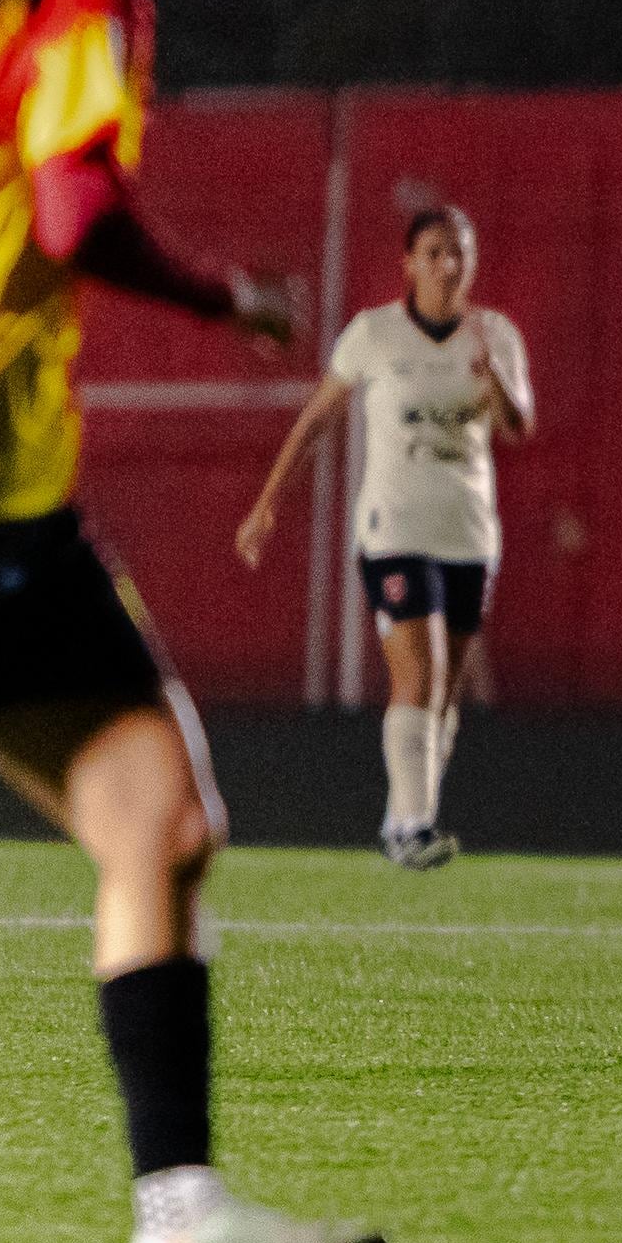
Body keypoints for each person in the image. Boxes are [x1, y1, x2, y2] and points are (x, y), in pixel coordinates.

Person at [0, 0, 386, 1243]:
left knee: (158, 823)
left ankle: (181, 1214)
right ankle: (176, 1215)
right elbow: (74, 208)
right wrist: (227, 294)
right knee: (158, 822)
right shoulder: (85, 6)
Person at [239, 205, 531, 868]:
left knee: (445, 691)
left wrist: (500, 385)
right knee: (418, 672)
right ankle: (409, 828)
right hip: (393, 527)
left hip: (468, 531)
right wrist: (265, 504)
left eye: (458, 252)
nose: (447, 265)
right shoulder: (374, 335)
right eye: (432, 252)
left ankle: (407, 816)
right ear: (408, 263)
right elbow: (315, 419)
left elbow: (519, 427)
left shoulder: (495, 336)